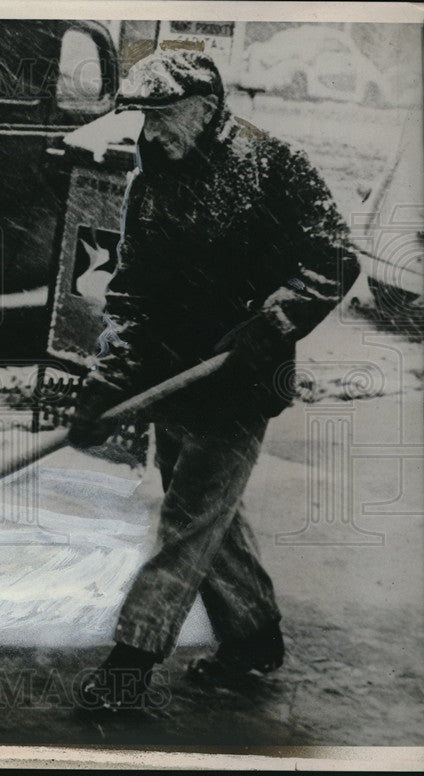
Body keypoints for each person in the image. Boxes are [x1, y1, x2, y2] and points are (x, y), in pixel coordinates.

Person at [67, 50, 362, 711]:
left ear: (204, 109)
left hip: (238, 379)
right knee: (210, 519)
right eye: (141, 118)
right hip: (172, 379)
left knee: (189, 521)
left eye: (162, 116)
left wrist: (272, 323)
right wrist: (104, 384)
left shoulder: (273, 167)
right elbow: (133, 292)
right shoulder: (154, 181)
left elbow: (334, 259)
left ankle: (129, 662)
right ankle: (254, 639)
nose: (149, 133)